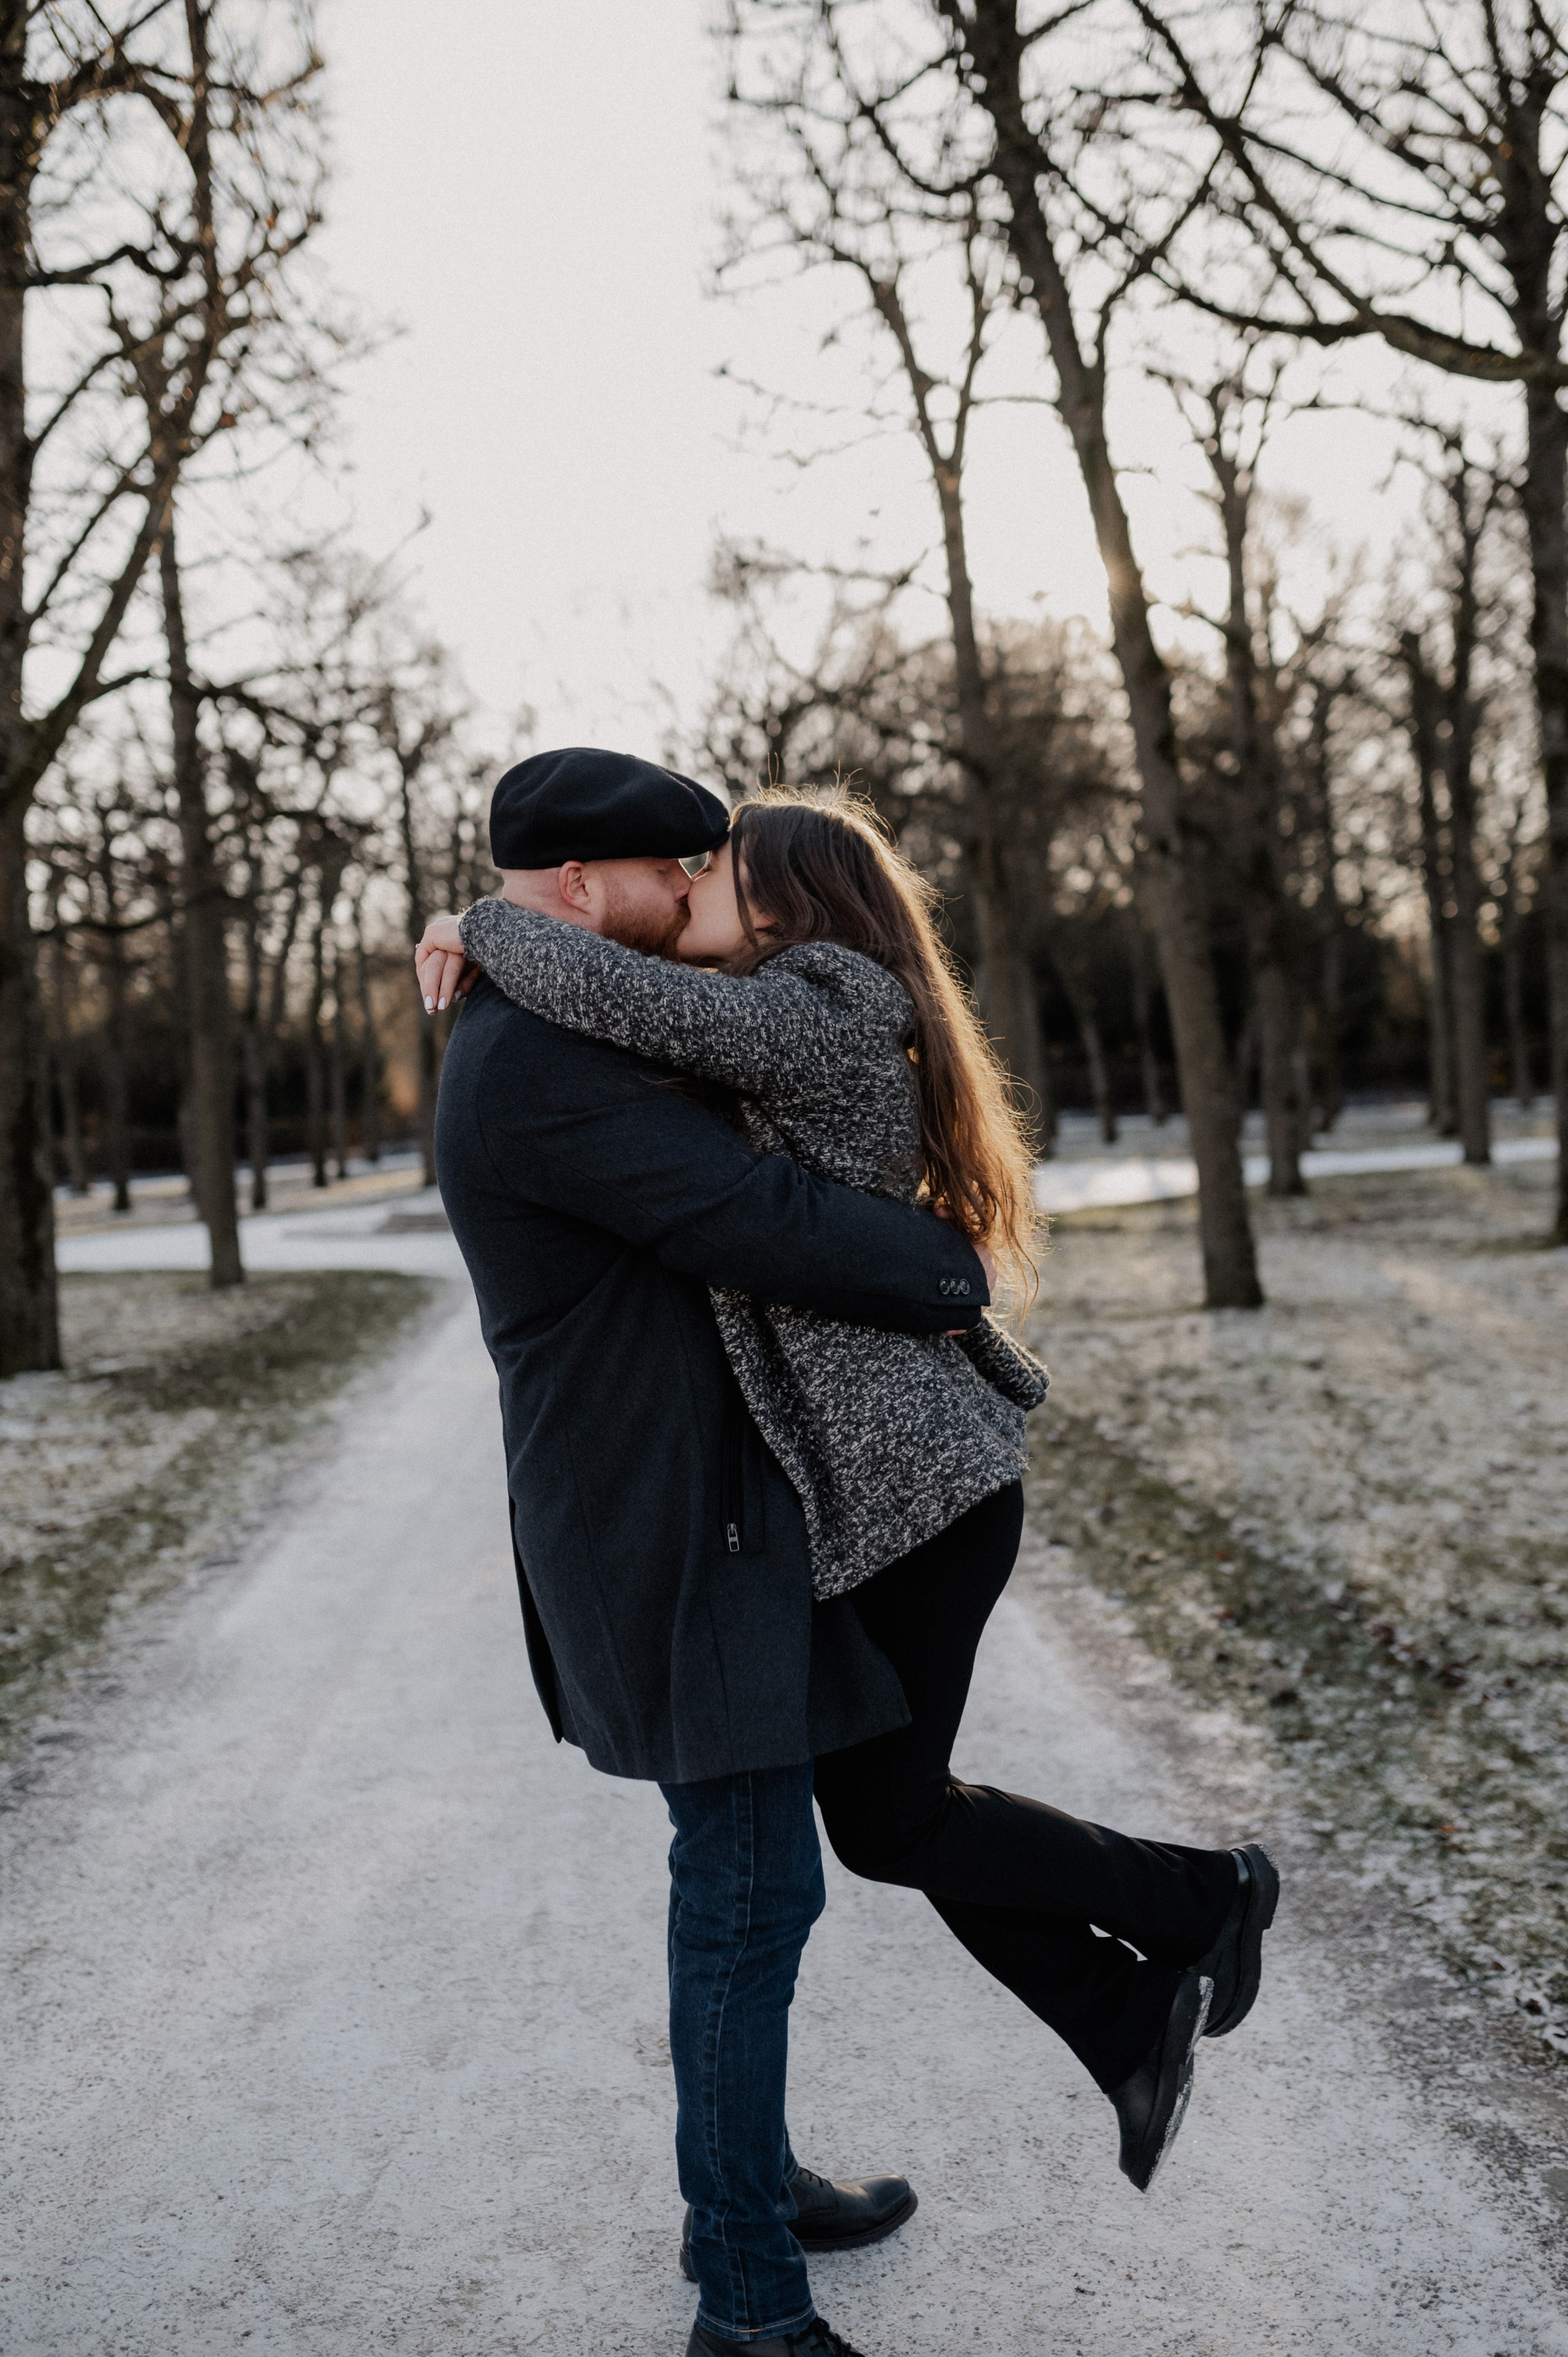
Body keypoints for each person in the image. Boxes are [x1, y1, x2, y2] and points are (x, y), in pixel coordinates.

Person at [425, 753, 1278, 2357]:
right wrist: (953, 1270)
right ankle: (749, 2301)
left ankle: (754, 2192)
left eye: (712, 874)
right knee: (753, 1898)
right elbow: (764, 1219)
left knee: (810, 1862)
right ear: (582, 888)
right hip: (672, 1536)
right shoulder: (540, 1065)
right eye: (676, 875)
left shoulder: (555, 1021)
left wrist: (476, 931)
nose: (696, 904)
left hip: (714, 1523)